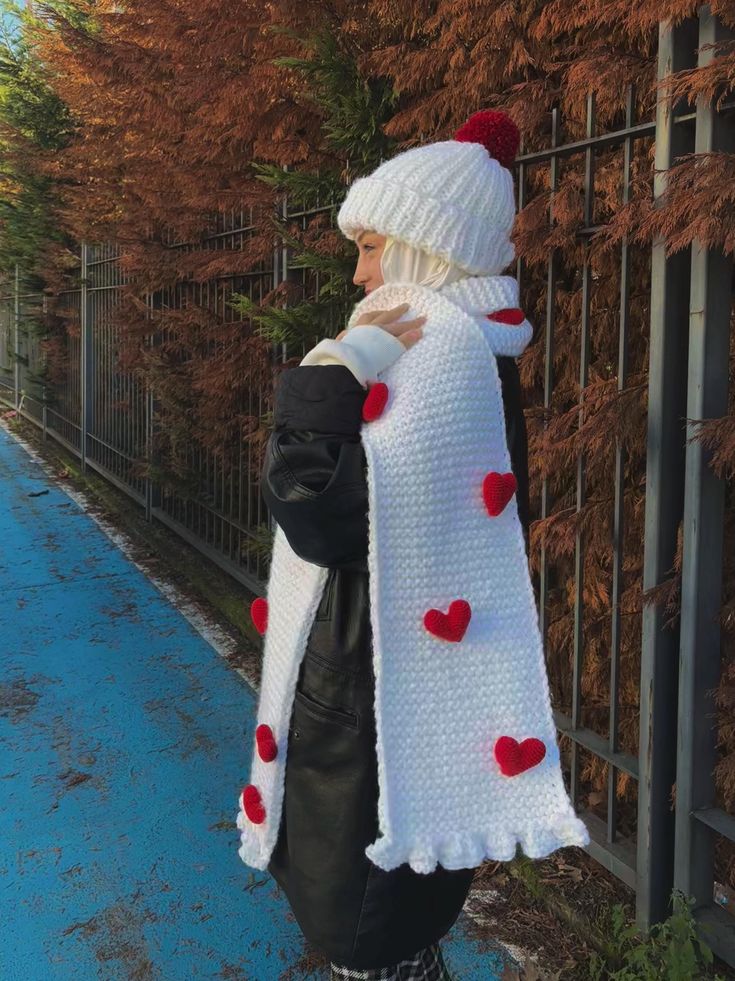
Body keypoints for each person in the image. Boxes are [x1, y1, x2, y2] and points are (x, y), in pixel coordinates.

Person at [239, 109, 589, 980]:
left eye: (371, 247)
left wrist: (326, 373)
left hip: (374, 693)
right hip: (373, 681)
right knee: (388, 941)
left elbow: (320, 512)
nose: (358, 271)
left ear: (426, 250)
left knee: (373, 943)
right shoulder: (455, 348)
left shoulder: (440, 358)